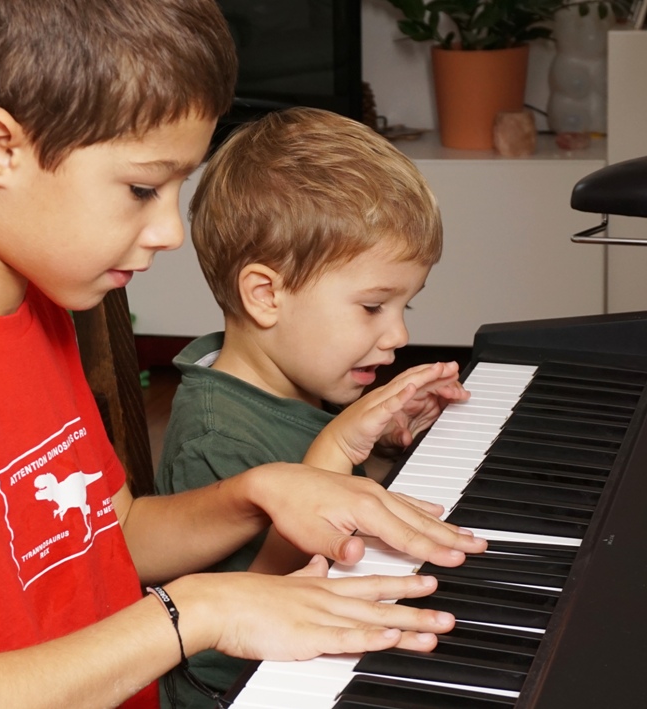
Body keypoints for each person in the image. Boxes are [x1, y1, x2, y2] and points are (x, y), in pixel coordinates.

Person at [0, 3, 487, 707]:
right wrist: (198, 611)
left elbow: (110, 534)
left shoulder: (38, 314)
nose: (170, 230)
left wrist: (259, 490)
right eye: (144, 187)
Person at [155, 106, 471, 707]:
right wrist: (334, 448)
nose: (399, 335)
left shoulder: (295, 385)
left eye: (407, 306)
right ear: (266, 295)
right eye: (373, 307)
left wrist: (379, 438)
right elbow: (237, 644)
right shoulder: (215, 439)